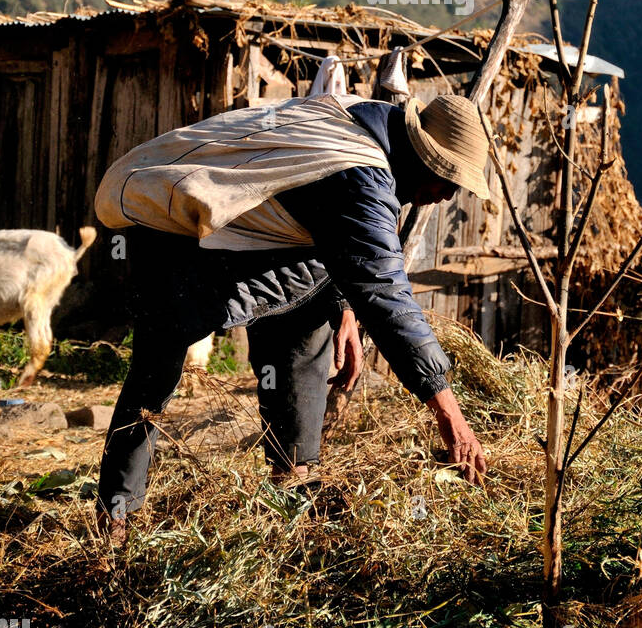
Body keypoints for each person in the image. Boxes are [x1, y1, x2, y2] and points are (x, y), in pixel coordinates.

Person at [93, 91, 490, 541]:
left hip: (259, 235)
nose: (446, 197)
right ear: (424, 160)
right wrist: (449, 413)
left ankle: (293, 484)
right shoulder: (361, 171)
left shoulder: (370, 126)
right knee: (156, 369)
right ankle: (116, 520)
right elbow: (384, 290)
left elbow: (340, 244)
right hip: (171, 224)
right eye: (448, 183)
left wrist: (342, 311)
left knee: (308, 315)